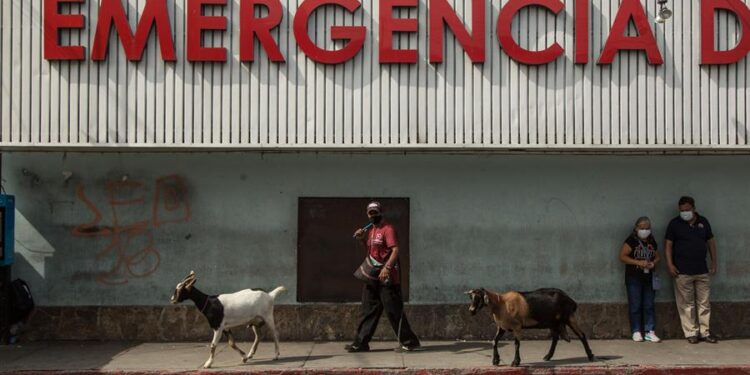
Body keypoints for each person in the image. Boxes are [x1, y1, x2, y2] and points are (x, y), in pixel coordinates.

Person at [345, 201, 421, 352]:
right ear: (367, 214)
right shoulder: (371, 230)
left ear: (381, 212)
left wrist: (387, 267)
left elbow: (395, 250)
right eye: (370, 213)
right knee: (368, 310)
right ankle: (360, 343)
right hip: (372, 276)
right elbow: (370, 252)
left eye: (375, 212)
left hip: (388, 276)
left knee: (393, 310)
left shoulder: (388, 229)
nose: (373, 215)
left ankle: (409, 341)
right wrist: (361, 239)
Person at [665, 196, 718, 344]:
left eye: (687, 210)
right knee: (686, 304)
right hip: (682, 272)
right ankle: (691, 333)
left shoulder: (704, 222)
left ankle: (705, 332)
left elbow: (711, 242)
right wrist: (670, 264)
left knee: (704, 303)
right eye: (682, 210)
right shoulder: (674, 224)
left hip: (702, 270)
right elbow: (668, 245)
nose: (684, 213)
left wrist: (714, 262)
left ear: (694, 208)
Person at [619, 216, 661, 343]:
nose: (644, 230)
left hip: (649, 277)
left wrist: (653, 263)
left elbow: (657, 256)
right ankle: (636, 331)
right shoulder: (631, 241)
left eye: (647, 228)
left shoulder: (651, 240)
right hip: (634, 277)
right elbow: (622, 256)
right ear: (636, 228)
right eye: (642, 228)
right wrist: (637, 262)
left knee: (649, 305)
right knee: (635, 305)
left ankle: (650, 331)